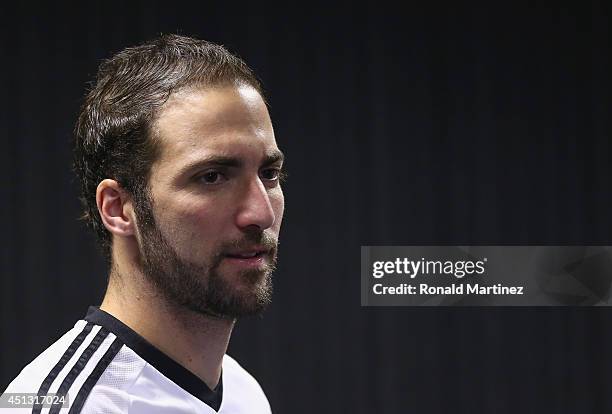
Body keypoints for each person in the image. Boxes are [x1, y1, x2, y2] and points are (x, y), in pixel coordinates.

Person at [3, 34, 284, 413]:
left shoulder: (243, 393)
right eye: (212, 177)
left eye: (269, 173)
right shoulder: (59, 406)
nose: (261, 213)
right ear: (119, 208)